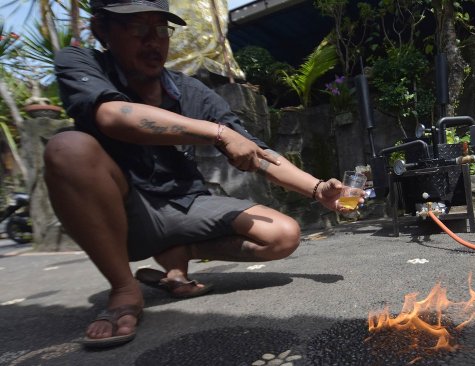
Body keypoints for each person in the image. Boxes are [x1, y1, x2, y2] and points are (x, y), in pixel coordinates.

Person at [45, 0, 361, 348]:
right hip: (126, 213)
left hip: (186, 203)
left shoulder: (192, 91)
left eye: (161, 29)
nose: (152, 41)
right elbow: (113, 117)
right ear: (101, 30)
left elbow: (257, 152)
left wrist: (318, 190)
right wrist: (217, 133)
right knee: (67, 148)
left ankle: (179, 251)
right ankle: (124, 289)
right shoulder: (80, 62)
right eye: (138, 28)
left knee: (283, 235)